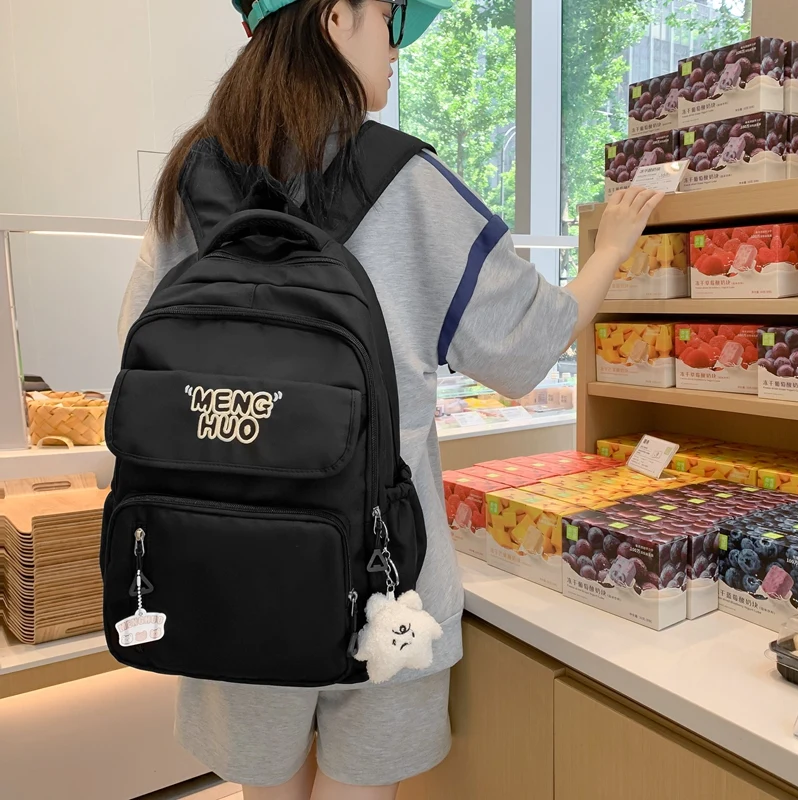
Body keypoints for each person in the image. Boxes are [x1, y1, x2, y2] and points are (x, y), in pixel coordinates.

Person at [117, 0, 663, 797]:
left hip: (223, 569)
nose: (396, 43)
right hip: (385, 585)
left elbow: (136, 350)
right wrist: (610, 248)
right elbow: (528, 344)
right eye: (387, 15)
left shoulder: (190, 176)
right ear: (335, 17)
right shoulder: (405, 181)